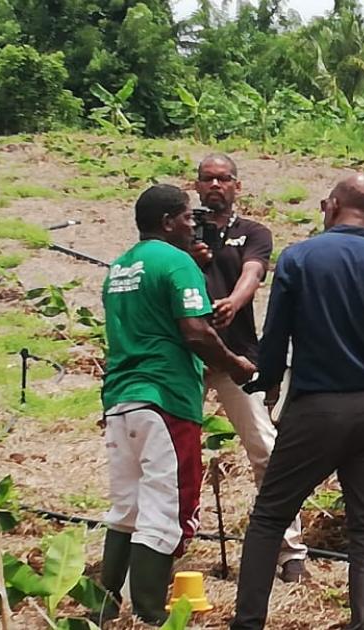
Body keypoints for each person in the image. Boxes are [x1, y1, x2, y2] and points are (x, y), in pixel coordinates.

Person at [231, 173, 364, 630]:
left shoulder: (300, 258)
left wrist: (269, 382)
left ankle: (248, 622)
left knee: (270, 516)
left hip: (317, 406)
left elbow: (276, 335)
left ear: (333, 204)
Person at [97, 184, 256, 624]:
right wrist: (236, 364)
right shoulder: (177, 262)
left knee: (126, 507)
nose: (193, 226)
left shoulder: (120, 267)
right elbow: (196, 331)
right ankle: (149, 614)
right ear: (167, 221)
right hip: (165, 400)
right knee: (169, 509)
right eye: (188, 218)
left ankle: (106, 606)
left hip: (121, 399)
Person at [191, 154, 308, 581]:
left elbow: (253, 273)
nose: (215, 185)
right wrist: (191, 255)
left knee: (265, 447)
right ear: (197, 185)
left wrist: (234, 303)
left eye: (224, 179)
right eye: (208, 179)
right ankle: (163, 541)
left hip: (235, 354)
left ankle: (290, 550)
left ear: (237, 186)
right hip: (187, 354)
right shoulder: (179, 233)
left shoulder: (253, 232)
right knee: (175, 450)